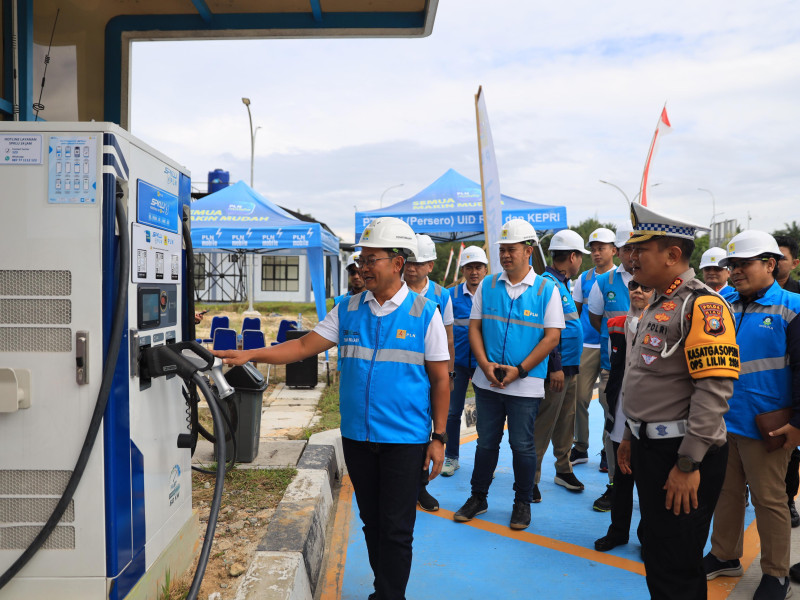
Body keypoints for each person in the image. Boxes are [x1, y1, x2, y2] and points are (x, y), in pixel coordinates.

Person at [214, 217, 450, 600]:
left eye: (372, 258)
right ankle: (383, 589)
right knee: (372, 522)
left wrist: (438, 437)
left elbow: (442, 380)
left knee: (396, 527)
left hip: (405, 439)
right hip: (358, 437)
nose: (363, 266)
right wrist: (252, 354)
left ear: (397, 263)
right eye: (362, 259)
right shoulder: (349, 309)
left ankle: (391, 596)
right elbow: (305, 346)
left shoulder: (426, 313)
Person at [616, 203, 738, 599]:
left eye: (642, 250)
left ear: (672, 255)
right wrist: (631, 434)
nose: (632, 258)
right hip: (652, 447)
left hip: (681, 453)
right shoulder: (659, 301)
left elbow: (714, 389)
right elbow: (648, 380)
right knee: (658, 550)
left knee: (677, 565)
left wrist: (688, 463)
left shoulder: (702, 305)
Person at [704, 230, 800, 600]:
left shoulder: (792, 308)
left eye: (743, 263)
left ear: (770, 265)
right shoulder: (722, 303)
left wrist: (798, 423)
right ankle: (724, 555)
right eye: (732, 265)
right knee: (725, 493)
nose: (735, 271)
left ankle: (777, 575)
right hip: (724, 420)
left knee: (770, 500)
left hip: (768, 426)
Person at [453, 219, 563, 530]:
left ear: (528, 251)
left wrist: (521, 370)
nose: (505, 255)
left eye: (511, 249)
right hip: (487, 381)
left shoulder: (546, 289)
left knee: (522, 445)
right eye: (502, 250)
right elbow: (474, 327)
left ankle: (522, 502)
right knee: (486, 442)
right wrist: (484, 365)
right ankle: (478, 497)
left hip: (525, 385)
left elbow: (552, 337)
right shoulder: (487, 285)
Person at [593, 279, 654, 551]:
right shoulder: (615, 324)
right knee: (621, 478)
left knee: (649, 482)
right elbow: (615, 368)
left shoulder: (662, 325)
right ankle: (618, 531)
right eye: (634, 286)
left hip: (649, 414)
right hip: (620, 411)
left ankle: (647, 536)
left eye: (646, 287)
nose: (638, 291)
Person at [533, 229, 588, 500]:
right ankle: (530, 478)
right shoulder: (548, 284)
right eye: (581, 257)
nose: (582, 263)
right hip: (556, 369)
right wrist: (554, 366)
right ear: (573, 256)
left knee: (566, 421)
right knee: (544, 423)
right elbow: (548, 329)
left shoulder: (562, 283)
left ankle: (563, 468)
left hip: (570, 366)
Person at [404, 233, 456, 512]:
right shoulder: (395, 289)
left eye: (418, 263)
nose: (411, 268)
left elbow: (448, 337)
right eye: (408, 262)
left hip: (432, 371)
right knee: (409, 430)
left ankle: (420, 487)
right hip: (403, 369)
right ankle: (407, 486)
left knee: (430, 430)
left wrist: (449, 374)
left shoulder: (441, 295)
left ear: (430, 265)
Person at [586, 225, 634, 512]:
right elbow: (596, 320)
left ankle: (648, 488)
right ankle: (616, 486)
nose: (631, 253)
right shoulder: (603, 282)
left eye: (636, 248)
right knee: (612, 427)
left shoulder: (657, 280)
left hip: (651, 372)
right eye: (626, 248)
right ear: (618, 251)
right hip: (612, 370)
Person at [571, 228, 617, 467]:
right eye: (593, 248)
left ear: (613, 250)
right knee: (579, 398)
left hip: (612, 346)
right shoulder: (584, 278)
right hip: (587, 345)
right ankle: (580, 447)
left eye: (602, 248)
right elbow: (575, 312)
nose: (597, 252)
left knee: (609, 401)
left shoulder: (620, 277)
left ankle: (607, 450)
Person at [442, 245, 489, 477]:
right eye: (469, 267)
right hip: (458, 364)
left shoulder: (492, 294)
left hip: (484, 364)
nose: (474, 272)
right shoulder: (450, 296)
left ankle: (485, 462)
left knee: (487, 414)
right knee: (452, 412)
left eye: (478, 267)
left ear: (485, 269)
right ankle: (451, 457)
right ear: (463, 270)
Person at [774, 236, 800, 529]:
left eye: (781, 257)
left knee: (791, 455)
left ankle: (788, 500)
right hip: (758, 393)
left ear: (794, 263)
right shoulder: (743, 298)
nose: (775, 262)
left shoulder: (797, 299)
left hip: (791, 391)